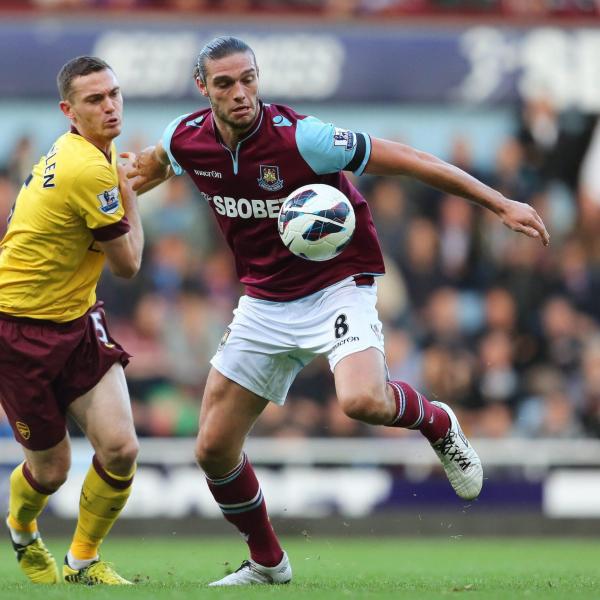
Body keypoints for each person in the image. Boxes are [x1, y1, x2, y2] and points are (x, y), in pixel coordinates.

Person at [128, 36, 550, 586]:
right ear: (202, 87)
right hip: (264, 301)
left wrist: (500, 203)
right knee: (211, 449)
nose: (240, 93)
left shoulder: (306, 138)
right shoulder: (184, 138)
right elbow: (153, 168)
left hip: (336, 286)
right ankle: (268, 564)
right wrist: (107, 187)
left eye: (248, 78)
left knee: (361, 400)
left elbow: (414, 161)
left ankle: (437, 420)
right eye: (225, 83)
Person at [0, 56, 143, 585]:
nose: (109, 106)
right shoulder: (87, 168)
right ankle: (19, 525)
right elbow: (128, 265)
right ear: (69, 111)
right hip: (17, 329)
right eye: (93, 100)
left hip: (77, 319)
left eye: (114, 94)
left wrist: (127, 187)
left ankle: (82, 562)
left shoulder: (88, 156)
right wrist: (132, 197)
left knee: (121, 448)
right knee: (52, 471)